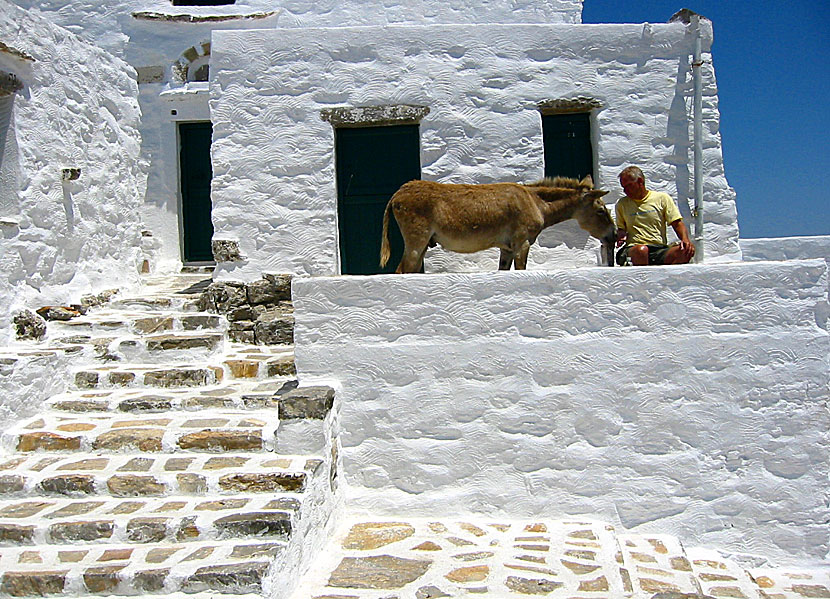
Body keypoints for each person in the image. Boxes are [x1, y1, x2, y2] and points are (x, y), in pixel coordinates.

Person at [614, 166, 695, 266]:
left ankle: (667, 279)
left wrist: (685, 240)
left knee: (685, 251)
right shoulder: (622, 204)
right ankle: (643, 280)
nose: (625, 191)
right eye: (623, 187)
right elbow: (621, 228)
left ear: (640, 181)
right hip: (634, 249)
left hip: (659, 249)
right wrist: (621, 236)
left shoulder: (662, 198)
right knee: (641, 251)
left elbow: (677, 223)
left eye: (628, 186)